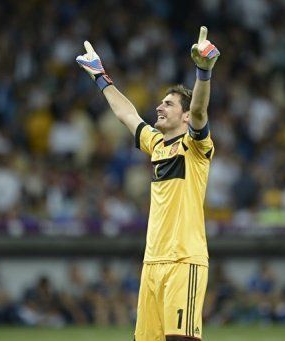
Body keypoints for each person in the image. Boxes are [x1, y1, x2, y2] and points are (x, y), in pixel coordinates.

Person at [76, 26, 220, 341]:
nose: (160, 107)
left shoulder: (195, 148)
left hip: (184, 260)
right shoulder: (156, 145)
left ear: (183, 118)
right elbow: (127, 113)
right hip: (152, 262)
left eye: (169, 104)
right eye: (161, 102)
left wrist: (203, 72)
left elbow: (198, 110)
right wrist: (100, 76)